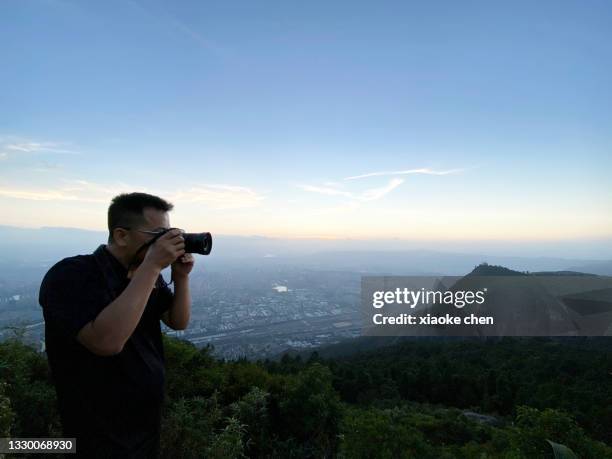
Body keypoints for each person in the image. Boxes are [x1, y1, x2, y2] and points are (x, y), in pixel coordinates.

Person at [39, 192, 195, 458]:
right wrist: (153, 265)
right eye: (159, 235)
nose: (168, 243)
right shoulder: (72, 274)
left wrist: (180, 278)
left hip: (145, 430)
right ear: (122, 235)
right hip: (95, 436)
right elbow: (106, 342)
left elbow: (177, 321)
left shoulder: (145, 276)